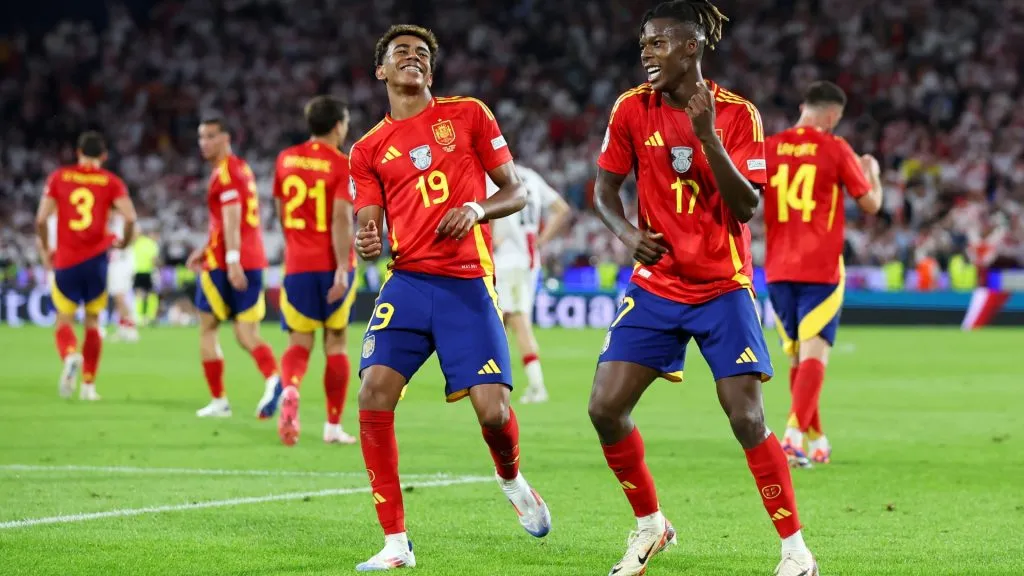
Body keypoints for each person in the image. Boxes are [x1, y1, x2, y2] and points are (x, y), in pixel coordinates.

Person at [587, 2, 818, 575]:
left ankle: (795, 551)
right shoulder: (630, 109)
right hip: (656, 284)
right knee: (605, 408)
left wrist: (707, 136)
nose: (646, 53)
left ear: (691, 47)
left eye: (658, 43)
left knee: (745, 418)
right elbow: (603, 189)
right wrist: (624, 232)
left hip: (721, 285)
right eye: (643, 43)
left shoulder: (738, 114)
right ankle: (650, 526)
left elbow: (747, 206)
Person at [349, 24, 551, 571]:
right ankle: (395, 543)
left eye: (421, 55)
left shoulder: (469, 115)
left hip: (467, 281)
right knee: (372, 394)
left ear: (430, 72)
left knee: (493, 412)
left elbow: (516, 191)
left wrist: (479, 209)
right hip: (409, 282)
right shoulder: (367, 149)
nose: (412, 59)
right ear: (382, 71)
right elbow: (369, 223)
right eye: (401, 54)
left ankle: (510, 478)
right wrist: (367, 238)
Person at [764, 81, 883, 467]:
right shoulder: (835, 148)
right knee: (815, 355)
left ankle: (816, 438)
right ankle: (792, 438)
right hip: (821, 267)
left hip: (778, 268)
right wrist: (874, 173)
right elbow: (870, 203)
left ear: (804, 106)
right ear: (833, 115)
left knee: (798, 359)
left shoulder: (769, 147)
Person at [274, 95, 359, 446]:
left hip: (297, 264)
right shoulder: (341, 164)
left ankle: (290, 389)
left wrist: (296, 244)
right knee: (336, 341)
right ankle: (333, 426)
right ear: (338, 125)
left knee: (299, 341)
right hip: (331, 264)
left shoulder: (285, 159)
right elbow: (341, 217)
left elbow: (280, 209)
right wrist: (341, 267)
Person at [187, 117, 281, 419]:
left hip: (227, 263)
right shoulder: (242, 168)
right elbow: (232, 220)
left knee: (207, 328)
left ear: (226, 138)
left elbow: (231, 216)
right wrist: (204, 249)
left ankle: (219, 401)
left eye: (211, 136)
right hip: (251, 258)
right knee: (245, 332)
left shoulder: (225, 173)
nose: (204, 143)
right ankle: (273, 379)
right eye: (201, 137)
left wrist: (230, 260)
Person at [35, 131, 137, 401]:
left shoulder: (59, 177)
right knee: (93, 322)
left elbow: (40, 220)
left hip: (67, 260)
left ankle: (70, 355)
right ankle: (89, 386)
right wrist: (124, 242)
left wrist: (46, 250)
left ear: (77, 152)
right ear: (104, 156)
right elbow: (130, 216)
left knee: (63, 319)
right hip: (97, 261)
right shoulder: (111, 182)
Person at [488, 165, 571, 403]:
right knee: (498, 321)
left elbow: (489, 213)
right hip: (527, 259)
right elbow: (562, 210)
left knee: (518, 321)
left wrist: (492, 238)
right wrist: (541, 241)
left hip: (510, 260)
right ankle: (493, 383)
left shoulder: (494, 177)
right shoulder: (532, 176)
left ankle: (537, 386)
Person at [106, 211, 139, 341]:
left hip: (123, 262)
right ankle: (123, 327)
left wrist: (123, 244)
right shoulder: (111, 224)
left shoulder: (123, 220)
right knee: (117, 297)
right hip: (115, 262)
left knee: (120, 296)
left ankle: (130, 327)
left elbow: (136, 233)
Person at [133, 227, 161, 327]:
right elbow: (154, 259)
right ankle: (150, 317)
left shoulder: (137, 243)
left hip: (137, 272)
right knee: (152, 294)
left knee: (139, 295)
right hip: (149, 272)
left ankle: (139, 318)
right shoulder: (151, 244)